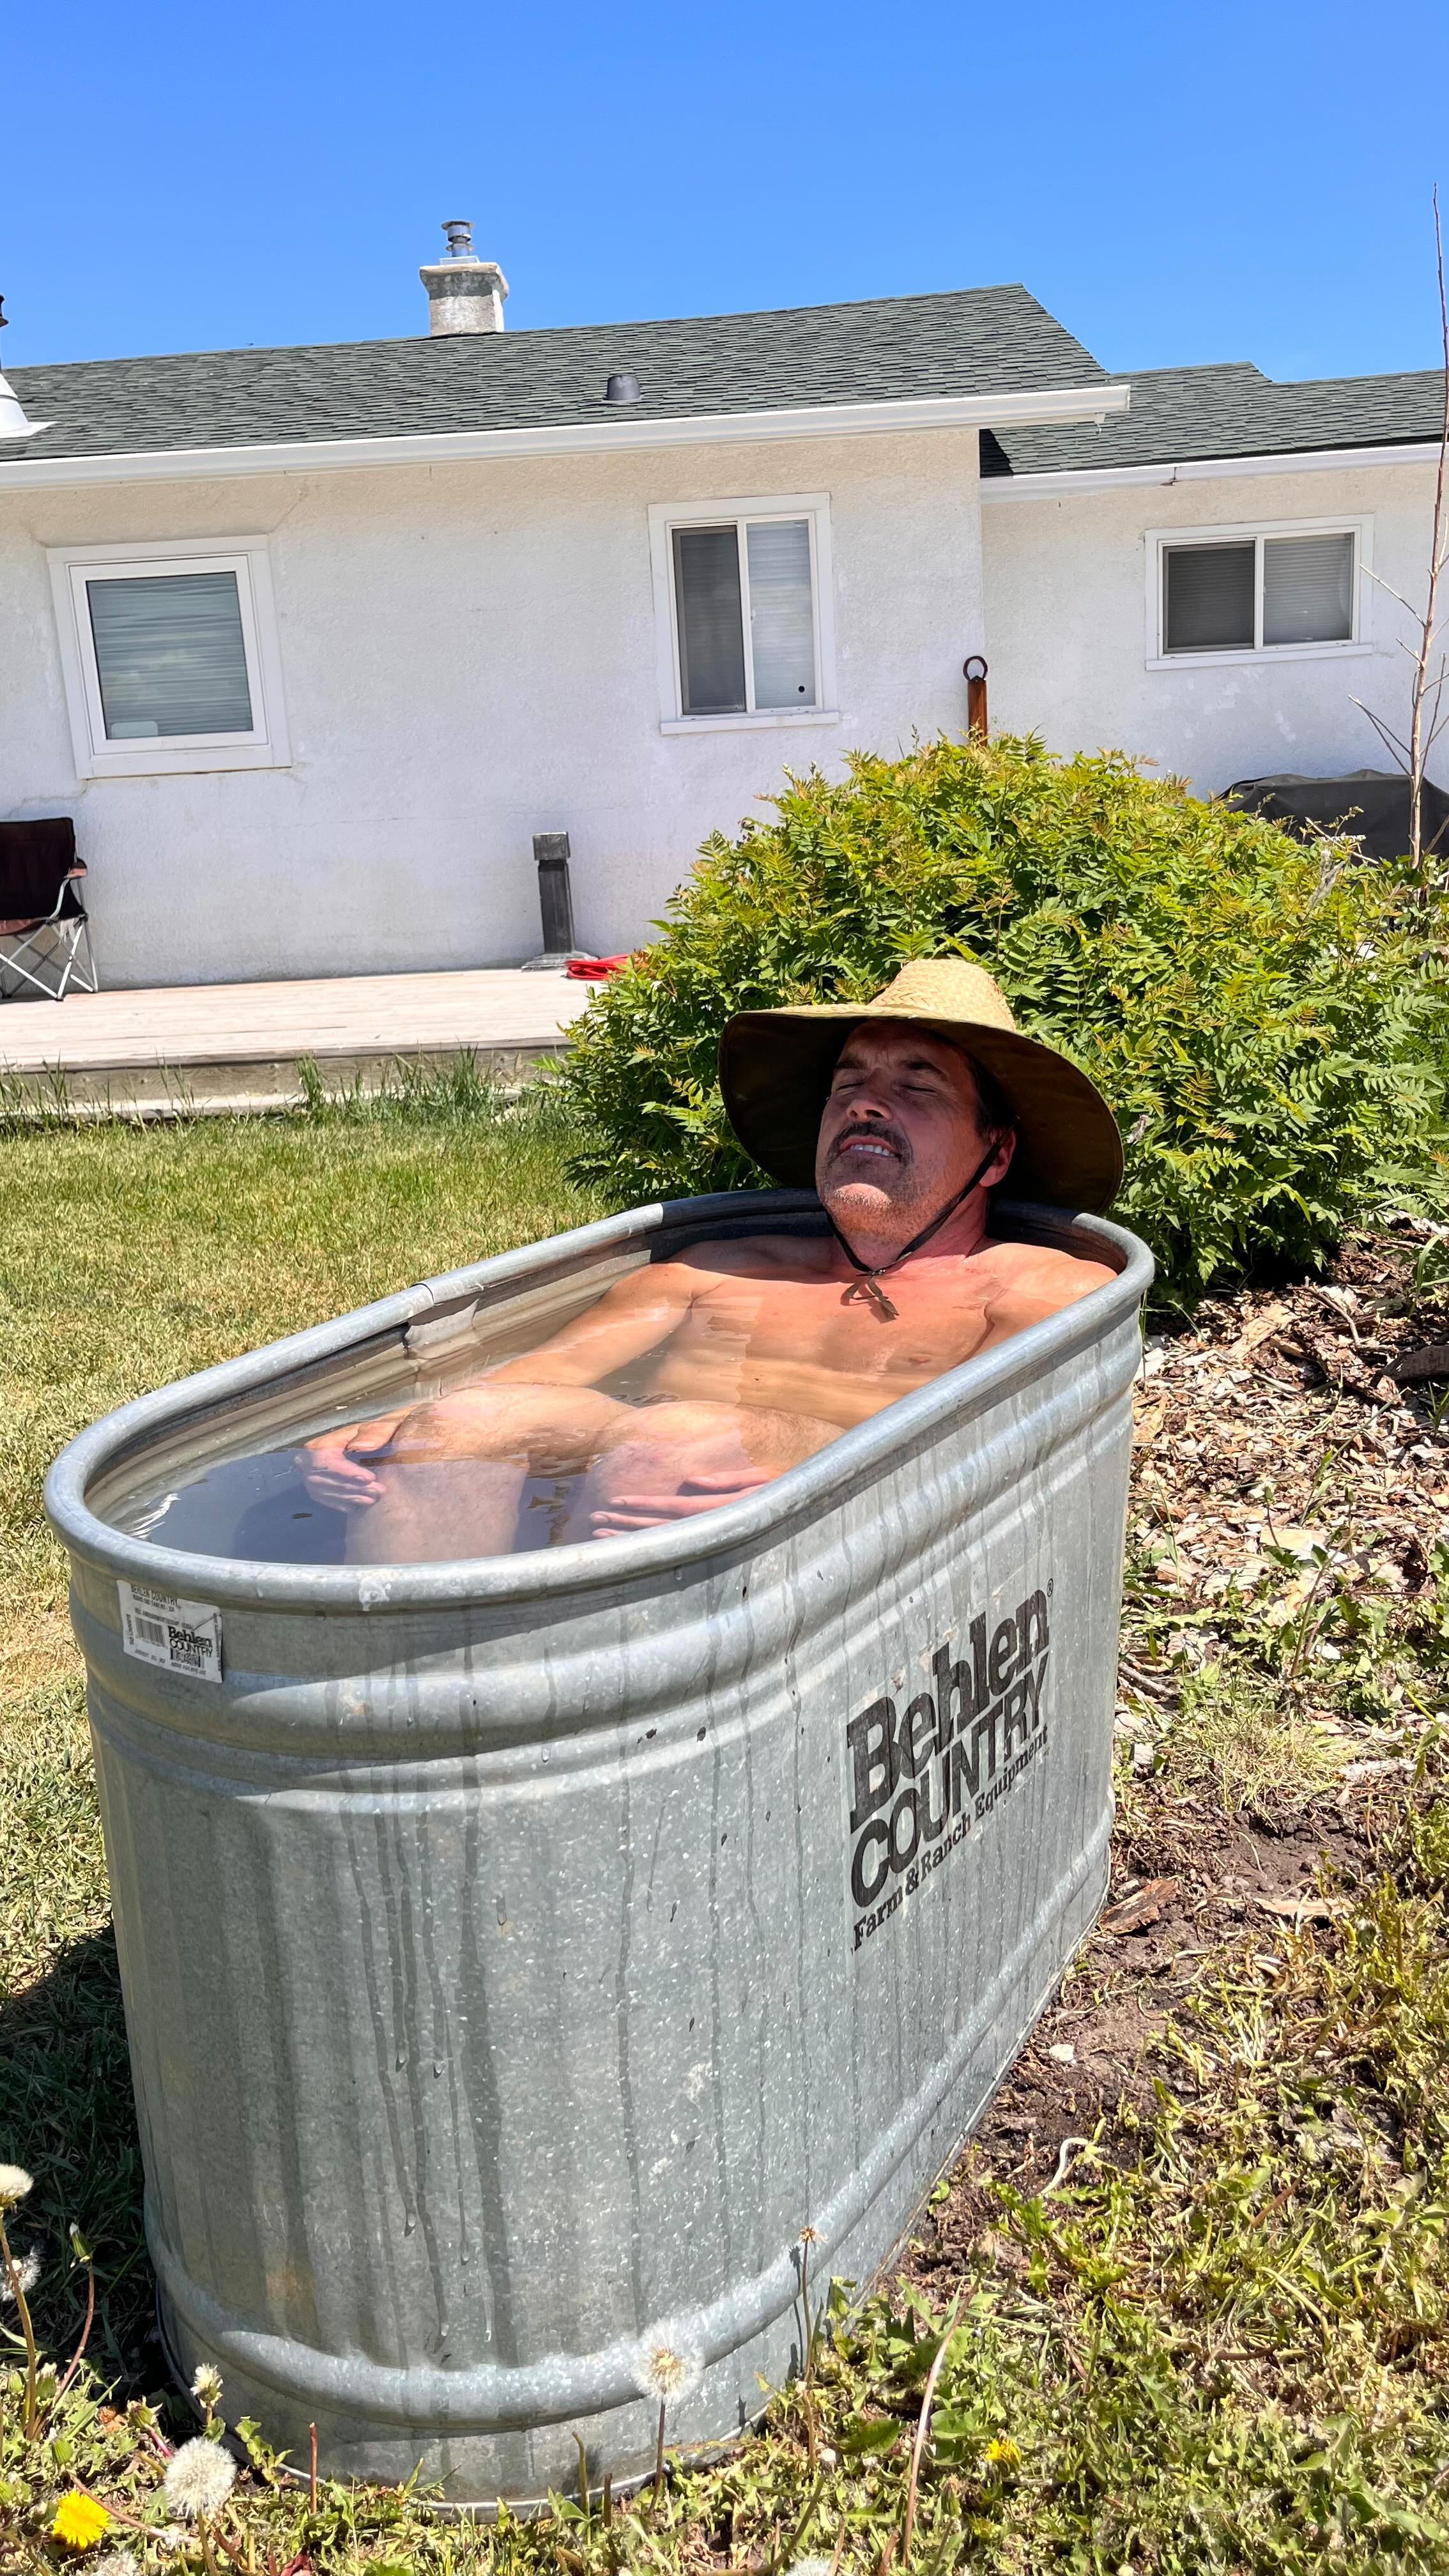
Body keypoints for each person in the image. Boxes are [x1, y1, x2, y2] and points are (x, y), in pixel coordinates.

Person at [298, 958, 1124, 1558]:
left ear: (996, 1153)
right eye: (849, 1084)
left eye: (918, 1085)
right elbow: (545, 1371)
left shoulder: (1043, 1284)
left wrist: (804, 1469)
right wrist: (380, 1431)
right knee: (461, 1425)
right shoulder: (712, 1268)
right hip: (634, 1479)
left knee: (670, 1445)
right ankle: (399, 1733)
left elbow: (983, 1441)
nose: (867, 1101)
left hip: (857, 1539)